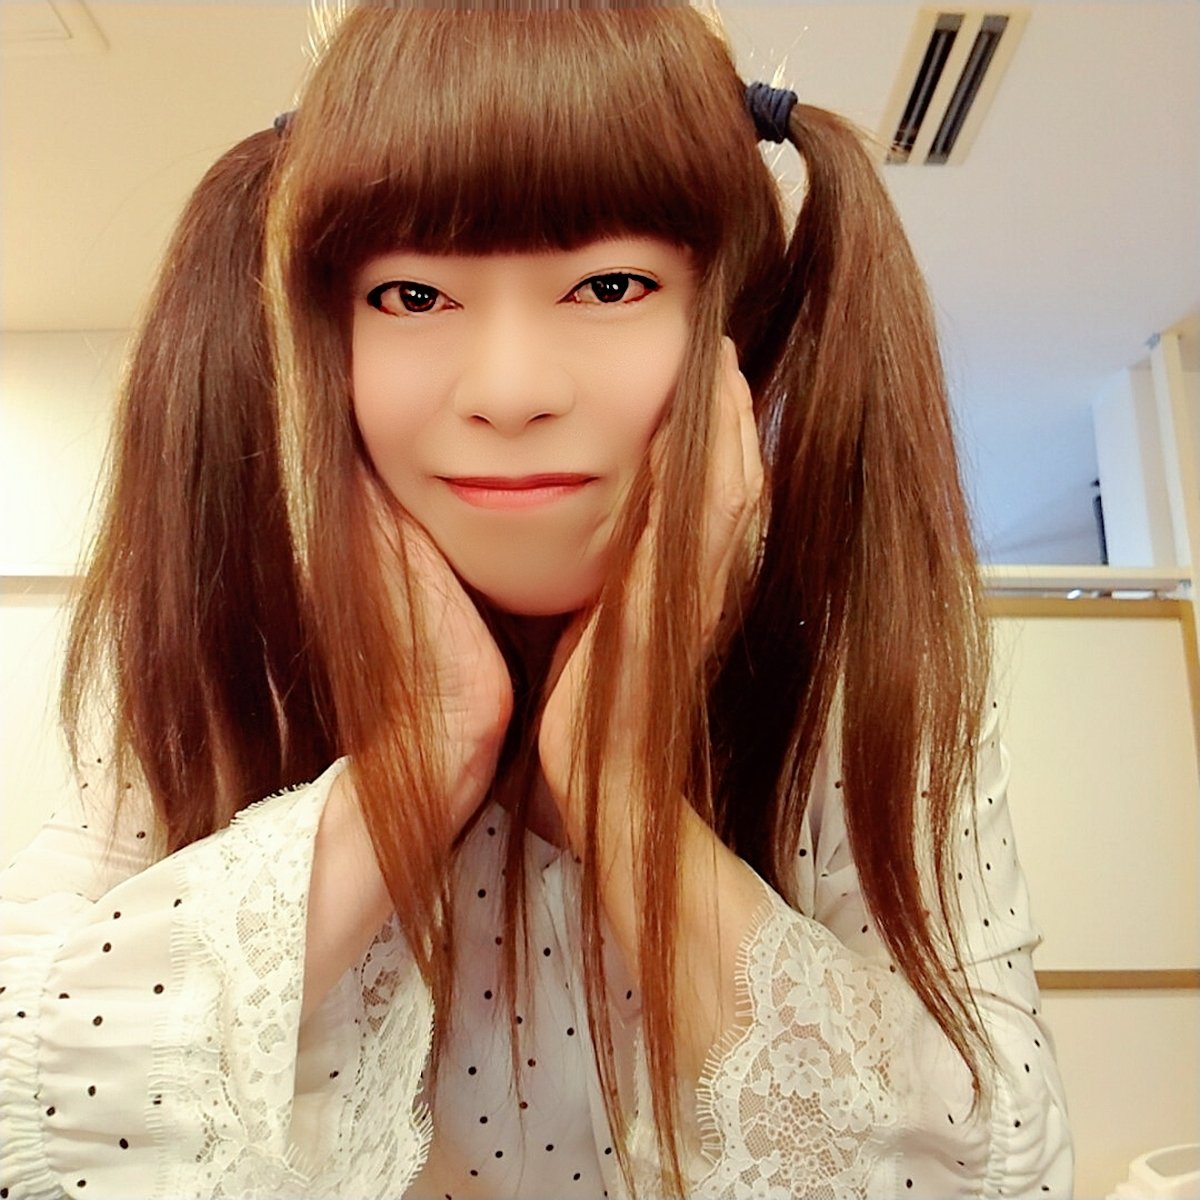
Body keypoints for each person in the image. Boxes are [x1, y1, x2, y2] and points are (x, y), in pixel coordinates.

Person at [0, 4, 1073, 1197]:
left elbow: (993, 1166)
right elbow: (25, 1101)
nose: (509, 390)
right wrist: (427, 752)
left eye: (610, 284)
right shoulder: (234, 644)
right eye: (413, 297)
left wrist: (622, 788)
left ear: (730, 327)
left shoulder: (844, 668)